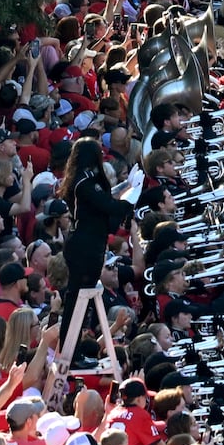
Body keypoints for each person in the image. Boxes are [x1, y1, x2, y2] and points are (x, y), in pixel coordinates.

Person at [59, 138, 134, 334]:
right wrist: (130, 199)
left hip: (89, 243)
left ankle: (75, 348)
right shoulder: (84, 181)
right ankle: (71, 349)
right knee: (78, 300)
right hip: (84, 247)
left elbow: (104, 199)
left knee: (81, 301)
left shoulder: (84, 178)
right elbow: (107, 205)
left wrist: (126, 186)